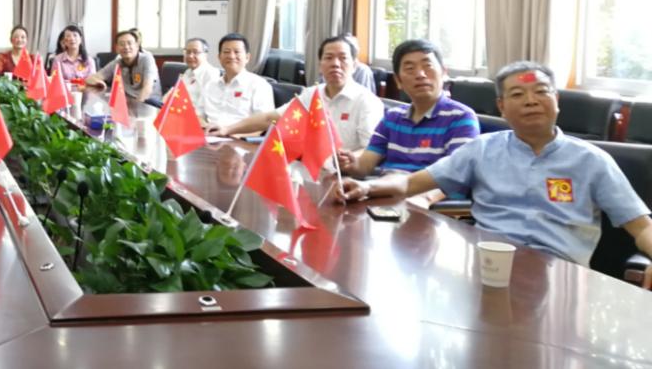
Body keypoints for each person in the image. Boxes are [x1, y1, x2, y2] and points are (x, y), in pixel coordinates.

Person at [331, 61, 652, 289]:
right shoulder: (482, 150)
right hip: (490, 270)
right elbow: (410, 183)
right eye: (517, 94)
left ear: (556, 100)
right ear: (501, 106)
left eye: (541, 92)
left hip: (560, 277)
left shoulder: (592, 160)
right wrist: (365, 187)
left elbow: (641, 226)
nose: (531, 101)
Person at [209, 35, 383, 153]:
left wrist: (350, 160)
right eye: (329, 58)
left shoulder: (367, 102)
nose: (335, 64)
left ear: (355, 65)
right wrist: (227, 129)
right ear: (320, 65)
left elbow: (372, 151)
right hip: (308, 171)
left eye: (343, 58)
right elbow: (270, 118)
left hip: (345, 176)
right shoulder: (312, 94)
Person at [339, 38, 479, 178]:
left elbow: (454, 176)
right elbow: (364, 167)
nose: (420, 74)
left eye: (427, 66)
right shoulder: (392, 117)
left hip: (426, 192)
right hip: (383, 187)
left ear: (443, 73)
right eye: (410, 69)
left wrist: (399, 184)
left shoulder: (461, 117)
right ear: (398, 81)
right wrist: (349, 164)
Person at [197, 33, 273, 128]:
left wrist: (229, 133)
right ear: (219, 57)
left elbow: (264, 124)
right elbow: (198, 115)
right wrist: (207, 128)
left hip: (240, 135)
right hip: (209, 134)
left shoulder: (259, 85)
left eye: (237, 52)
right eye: (226, 52)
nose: (231, 56)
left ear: (247, 57)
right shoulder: (210, 85)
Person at [86, 29, 161, 101]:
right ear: (117, 48)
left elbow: (147, 88)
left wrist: (136, 105)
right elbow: (89, 79)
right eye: (122, 44)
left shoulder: (147, 59)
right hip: (129, 101)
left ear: (137, 46)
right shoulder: (117, 63)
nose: (126, 47)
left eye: (129, 43)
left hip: (149, 102)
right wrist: (99, 82)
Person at [170, 37, 219, 108]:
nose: (190, 56)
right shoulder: (188, 72)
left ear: (205, 55)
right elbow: (175, 94)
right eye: (188, 52)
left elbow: (205, 107)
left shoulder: (211, 74)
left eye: (195, 52)